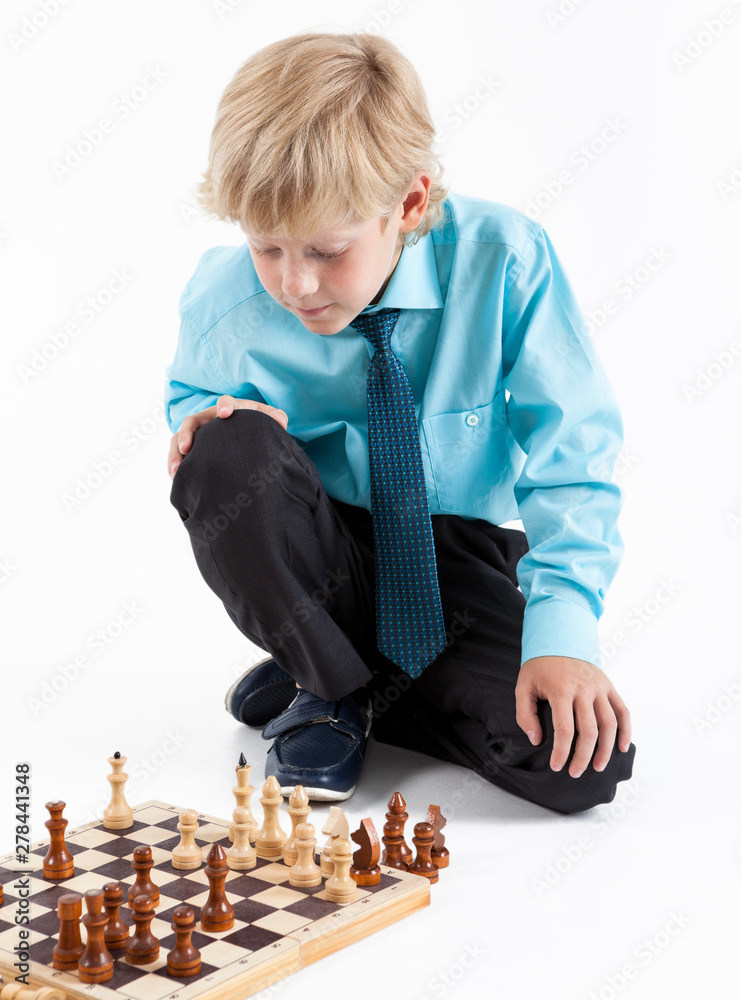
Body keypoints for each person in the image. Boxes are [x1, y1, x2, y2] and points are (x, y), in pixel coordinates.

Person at [165, 31, 635, 814]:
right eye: (265, 246)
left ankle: (336, 674)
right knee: (226, 452)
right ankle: (327, 682)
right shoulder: (226, 299)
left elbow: (571, 454)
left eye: (325, 248)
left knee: (576, 767)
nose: (293, 281)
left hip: (449, 556)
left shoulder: (506, 260)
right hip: (318, 553)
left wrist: (560, 636)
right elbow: (191, 405)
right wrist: (205, 423)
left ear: (409, 203)